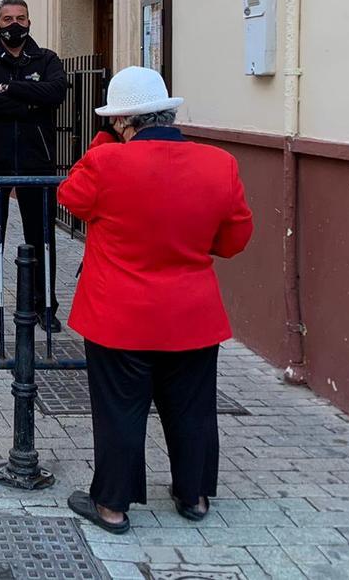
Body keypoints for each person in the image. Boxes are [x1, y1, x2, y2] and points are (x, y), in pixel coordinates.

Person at [59, 66, 253, 534]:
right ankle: (195, 496)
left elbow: (70, 196)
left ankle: (112, 505)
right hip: (191, 313)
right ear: (167, 114)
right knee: (192, 407)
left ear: (123, 123)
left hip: (119, 314)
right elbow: (233, 240)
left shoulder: (107, 162)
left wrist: (100, 149)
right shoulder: (220, 163)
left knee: (120, 410)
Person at [0, 0, 67, 331]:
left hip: (38, 163)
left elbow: (56, 93)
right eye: (7, 19)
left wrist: (9, 89)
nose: (14, 24)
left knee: (41, 236)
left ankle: (43, 305)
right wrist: (29, 101)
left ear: (30, 22)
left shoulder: (47, 59)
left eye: (21, 18)